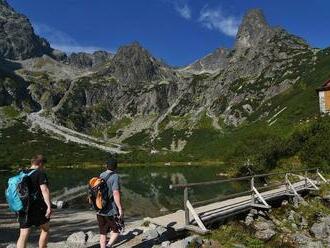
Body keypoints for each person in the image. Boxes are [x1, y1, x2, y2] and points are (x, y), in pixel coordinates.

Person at [17, 155, 52, 248]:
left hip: (21, 206)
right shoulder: (40, 173)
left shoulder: (21, 173)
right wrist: (49, 206)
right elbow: (44, 190)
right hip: (36, 207)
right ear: (40, 163)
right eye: (43, 165)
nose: (44, 167)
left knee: (23, 233)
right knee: (45, 228)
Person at [97, 158, 124, 248]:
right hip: (110, 211)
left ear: (106, 165)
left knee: (103, 232)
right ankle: (108, 246)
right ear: (116, 167)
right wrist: (120, 208)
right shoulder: (115, 176)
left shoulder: (101, 175)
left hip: (100, 208)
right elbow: (115, 193)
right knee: (117, 230)